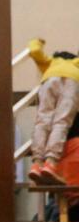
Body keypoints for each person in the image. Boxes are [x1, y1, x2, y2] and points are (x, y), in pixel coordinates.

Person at [26, 38, 79, 186]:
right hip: (73, 81)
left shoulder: (50, 63)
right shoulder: (76, 64)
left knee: (42, 122)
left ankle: (36, 164)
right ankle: (51, 162)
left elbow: (34, 51)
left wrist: (38, 41)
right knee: (61, 122)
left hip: (48, 80)